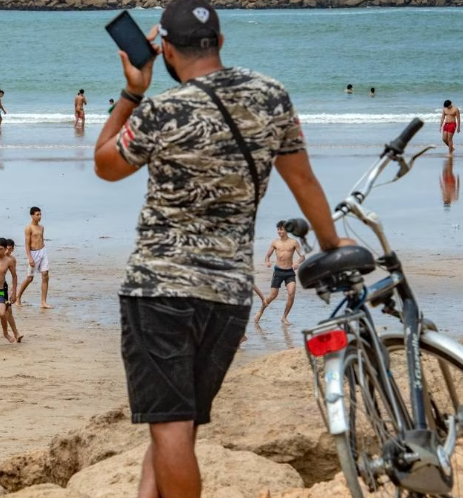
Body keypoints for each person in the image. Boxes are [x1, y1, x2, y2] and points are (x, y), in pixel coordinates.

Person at [92, 0, 353, 495]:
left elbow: (105, 164)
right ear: (221, 42)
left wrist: (132, 90)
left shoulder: (165, 110)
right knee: (178, 423)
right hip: (229, 294)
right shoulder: (270, 95)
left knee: (170, 427)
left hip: (160, 288)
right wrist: (333, 243)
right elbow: (303, 180)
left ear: (163, 48)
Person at [254, 221, 305, 325]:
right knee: (273, 295)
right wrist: (267, 262)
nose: (279, 231)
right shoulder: (275, 242)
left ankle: (284, 317)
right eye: (278, 229)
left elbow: (303, 256)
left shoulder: (294, 242)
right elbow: (267, 256)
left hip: (290, 272)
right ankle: (260, 311)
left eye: (281, 229)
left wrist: (297, 263)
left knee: (291, 294)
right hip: (278, 272)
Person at [16, 206, 51, 309]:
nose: (39, 216)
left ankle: (43, 302)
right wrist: (30, 258)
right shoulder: (28, 228)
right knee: (30, 278)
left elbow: (42, 239)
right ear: (32, 215)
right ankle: (18, 297)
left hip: (43, 251)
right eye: (37, 215)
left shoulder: (42, 227)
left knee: (45, 275)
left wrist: (43, 252)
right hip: (33, 253)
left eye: (40, 214)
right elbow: (27, 244)